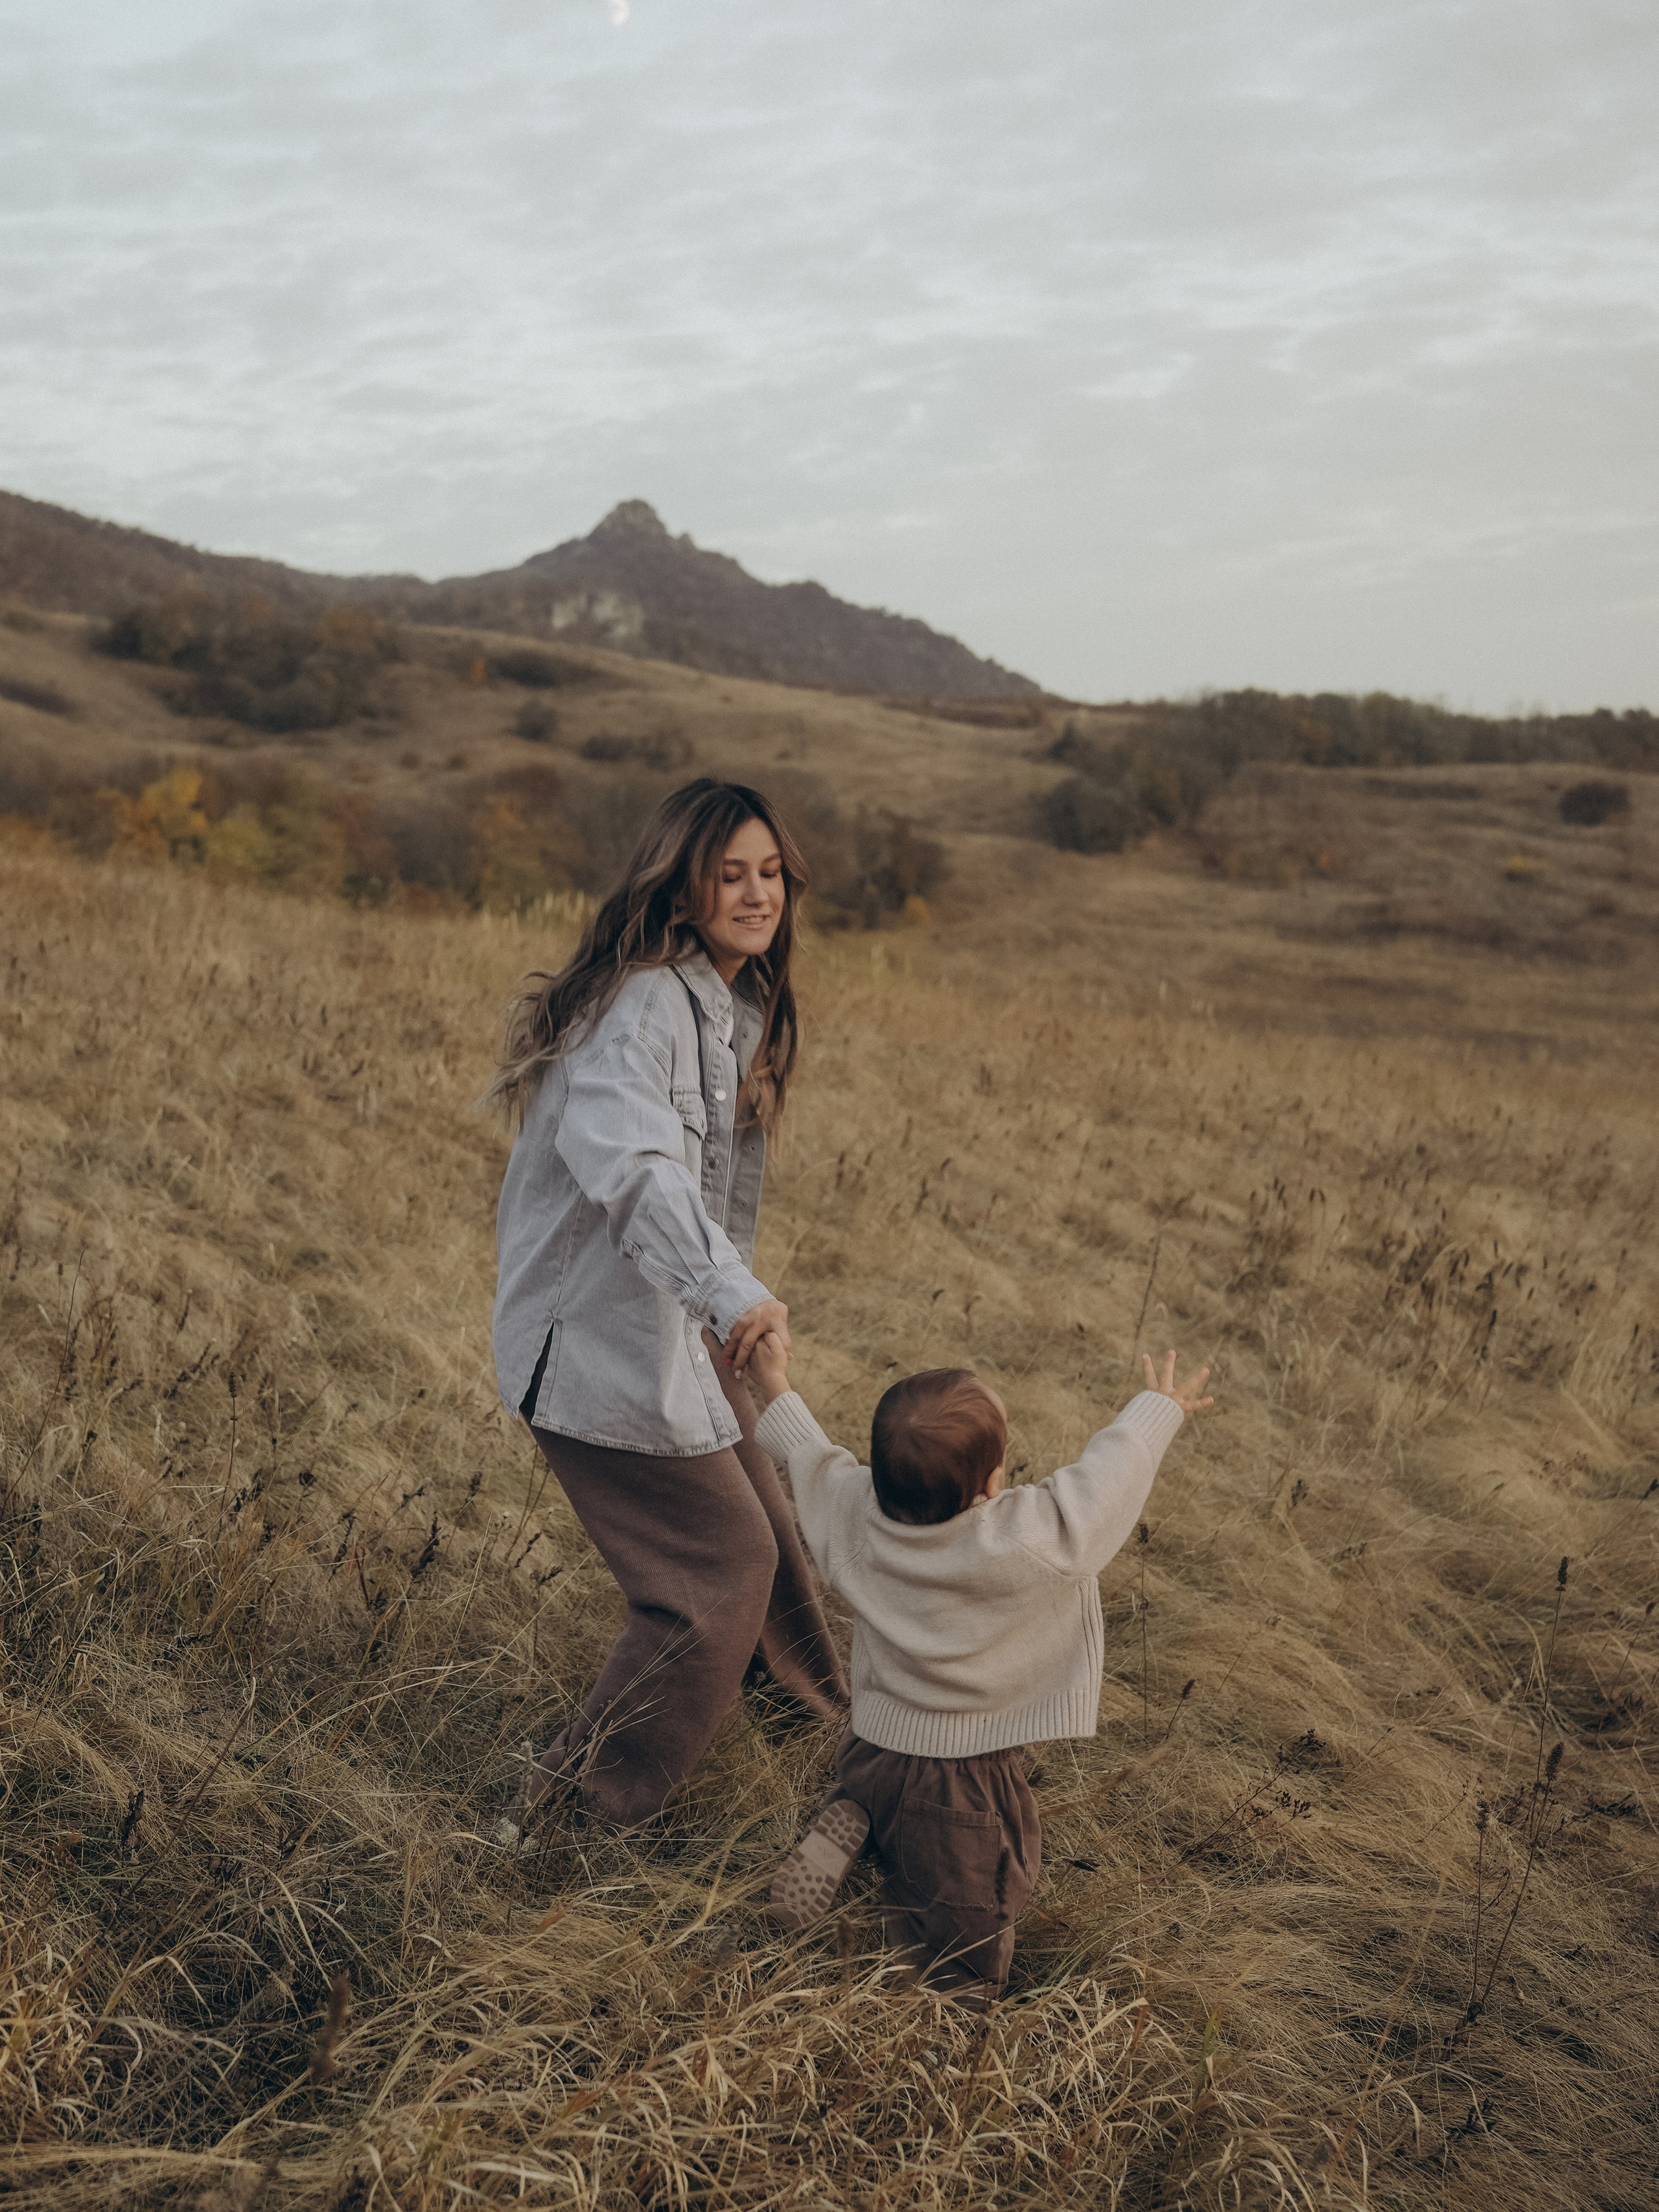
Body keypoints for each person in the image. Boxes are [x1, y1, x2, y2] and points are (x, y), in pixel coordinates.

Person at [486, 779, 847, 1834]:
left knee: (773, 1533)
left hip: (675, 1329)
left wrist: (724, 1311)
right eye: (729, 873)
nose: (756, 893)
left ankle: (843, 1748)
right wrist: (732, 1292)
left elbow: (702, 1194)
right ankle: (562, 1823)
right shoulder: (643, 1007)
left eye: (770, 873)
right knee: (718, 1574)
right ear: (682, 890)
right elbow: (639, 1172)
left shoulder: (723, 1006)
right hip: (596, 1346)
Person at [748, 1339, 1212, 2005]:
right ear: (993, 1483)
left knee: (874, 1804)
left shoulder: (853, 1513)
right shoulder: (1021, 1539)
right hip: (961, 1782)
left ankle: (844, 1820)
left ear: (877, 1471)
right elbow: (1103, 1483)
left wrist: (773, 1379)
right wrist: (1155, 1408)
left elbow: (810, 1458)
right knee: (970, 1905)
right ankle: (951, 2008)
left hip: (871, 1749)